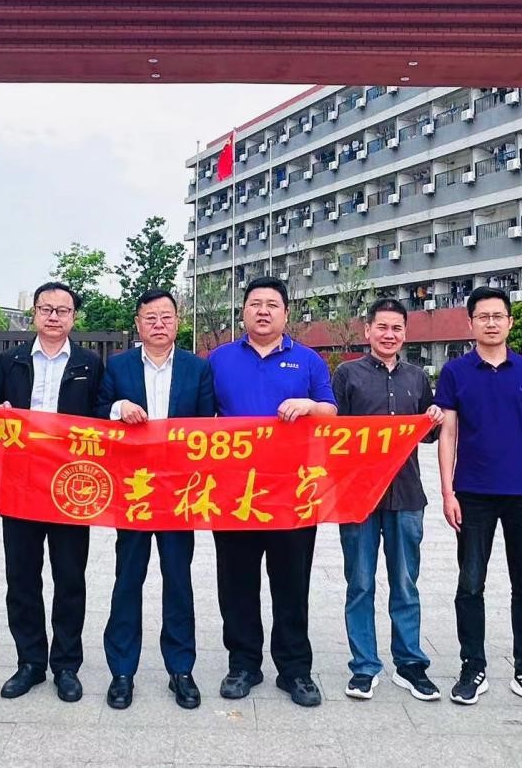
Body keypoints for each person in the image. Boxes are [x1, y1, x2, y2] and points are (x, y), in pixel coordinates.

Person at [208, 276, 336, 708]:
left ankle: (295, 669)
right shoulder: (219, 359)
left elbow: (331, 411)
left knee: (291, 585)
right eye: (255, 304)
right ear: (243, 311)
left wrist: (310, 407)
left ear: (286, 313)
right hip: (233, 494)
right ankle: (243, 664)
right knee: (236, 584)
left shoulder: (308, 361)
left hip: (293, 494)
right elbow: (197, 419)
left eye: (272, 305)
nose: (263, 311)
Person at [434, 286, 522, 711]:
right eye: (483, 316)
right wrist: (447, 491)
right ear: (470, 323)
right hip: (473, 493)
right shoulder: (455, 372)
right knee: (470, 583)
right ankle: (473, 666)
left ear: (509, 322)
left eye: (498, 316)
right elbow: (447, 434)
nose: (491, 323)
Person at [97, 288, 215, 711]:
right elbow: (96, 412)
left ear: (177, 322)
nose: (159, 324)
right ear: (138, 324)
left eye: (166, 316)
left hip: (179, 491)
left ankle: (180, 669)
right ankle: (121, 671)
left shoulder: (197, 368)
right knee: (127, 579)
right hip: (133, 490)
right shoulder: (119, 366)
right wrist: (118, 408)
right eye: (151, 317)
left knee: (178, 581)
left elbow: (208, 426)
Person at [0, 282, 102, 703]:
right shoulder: (11, 361)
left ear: (74, 317)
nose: (54, 317)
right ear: (34, 314)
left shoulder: (90, 363)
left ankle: (66, 665)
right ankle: (30, 662)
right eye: (46, 309)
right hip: (19, 483)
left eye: (63, 310)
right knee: (21, 576)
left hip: (72, 484)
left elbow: (100, 416)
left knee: (70, 577)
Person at [332, 297, 444, 702]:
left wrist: (434, 418)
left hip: (407, 495)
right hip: (358, 497)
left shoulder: (417, 377)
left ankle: (410, 664)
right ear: (368, 330)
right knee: (360, 583)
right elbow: (333, 435)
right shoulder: (347, 375)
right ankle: (364, 667)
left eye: (397, 328)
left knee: (406, 583)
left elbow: (428, 435)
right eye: (382, 327)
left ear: (405, 334)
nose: (389, 334)